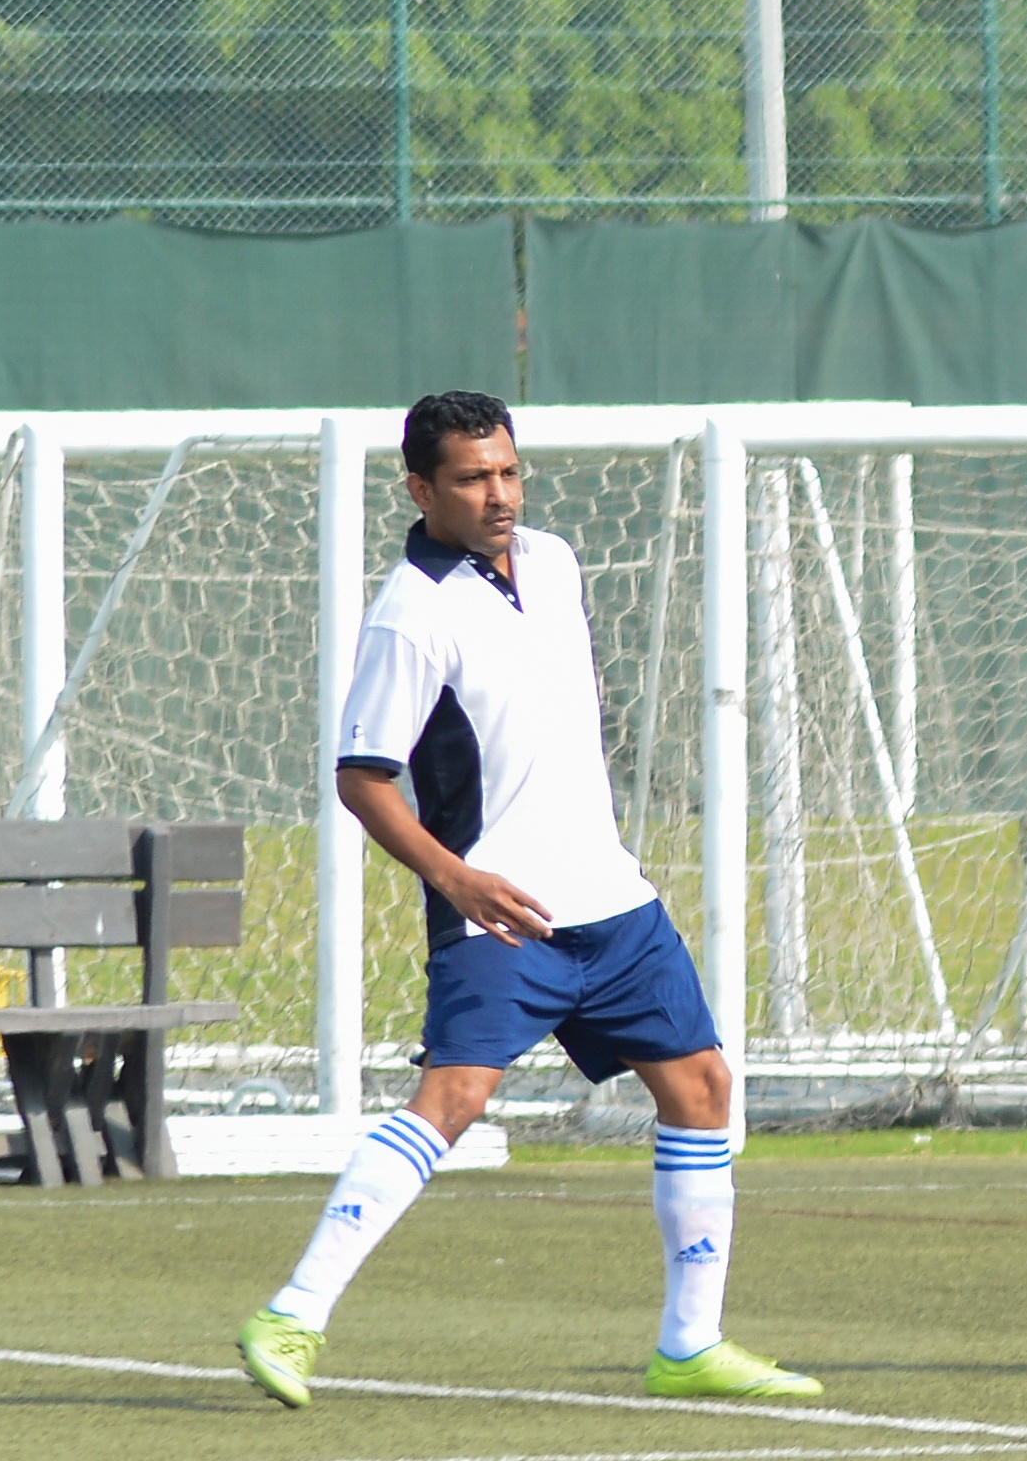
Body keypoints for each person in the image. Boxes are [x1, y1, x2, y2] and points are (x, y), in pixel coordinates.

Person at [236, 391, 814, 1409]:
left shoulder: (554, 561)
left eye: (507, 471)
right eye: (472, 478)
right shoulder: (410, 614)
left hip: (612, 899)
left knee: (703, 1088)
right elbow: (363, 779)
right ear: (421, 490)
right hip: (499, 911)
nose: (498, 493)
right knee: (453, 1102)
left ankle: (690, 1346)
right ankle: (292, 1314)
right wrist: (455, 878)